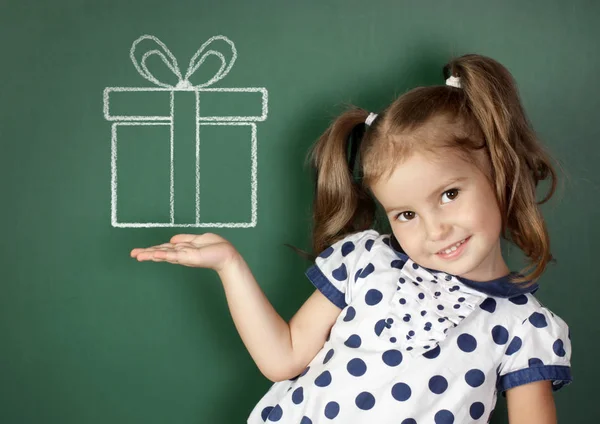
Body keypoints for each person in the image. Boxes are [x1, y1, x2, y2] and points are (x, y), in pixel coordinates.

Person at [130, 54, 573, 424]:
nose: (435, 230)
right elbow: (282, 359)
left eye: (449, 194)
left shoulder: (526, 328)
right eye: (405, 214)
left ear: (498, 171)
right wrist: (230, 265)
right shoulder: (365, 261)